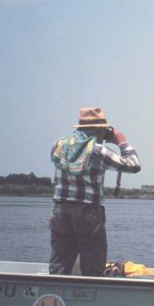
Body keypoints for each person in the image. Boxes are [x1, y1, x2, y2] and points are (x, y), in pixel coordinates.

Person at [49, 107, 141, 276]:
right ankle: (89, 296)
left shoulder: (59, 145)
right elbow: (134, 165)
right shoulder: (98, 151)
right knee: (92, 266)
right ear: (100, 130)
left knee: (59, 265)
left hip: (60, 211)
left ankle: (55, 296)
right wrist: (121, 141)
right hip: (87, 213)